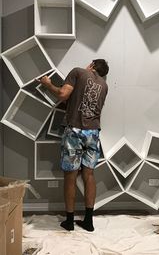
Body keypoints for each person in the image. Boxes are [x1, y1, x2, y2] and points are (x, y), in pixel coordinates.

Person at [39, 59, 109, 232]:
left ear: (92, 65)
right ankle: (88, 221)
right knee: (89, 175)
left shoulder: (78, 72)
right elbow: (82, 103)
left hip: (75, 132)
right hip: (93, 133)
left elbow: (63, 95)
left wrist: (48, 84)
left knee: (70, 176)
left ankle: (69, 221)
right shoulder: (104, 86)